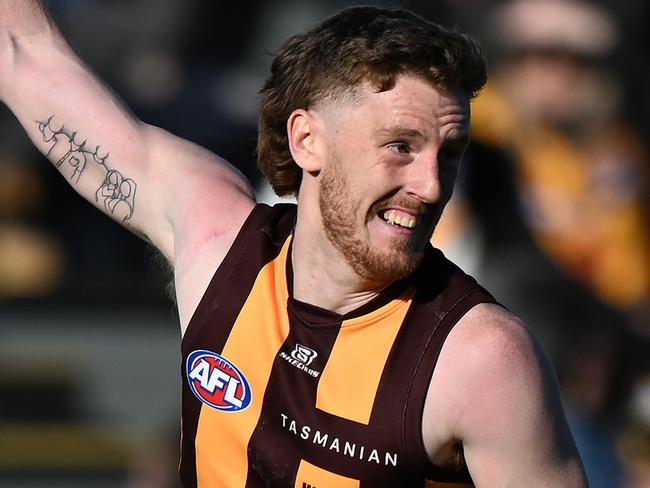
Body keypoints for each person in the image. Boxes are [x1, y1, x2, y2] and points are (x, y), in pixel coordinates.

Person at [0, 3, 587, 486]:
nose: (433, 185)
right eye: (400, 147)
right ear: (306, 140)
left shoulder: (483, 359)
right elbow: (25, 54)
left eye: (449, 154)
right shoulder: (220, 242)